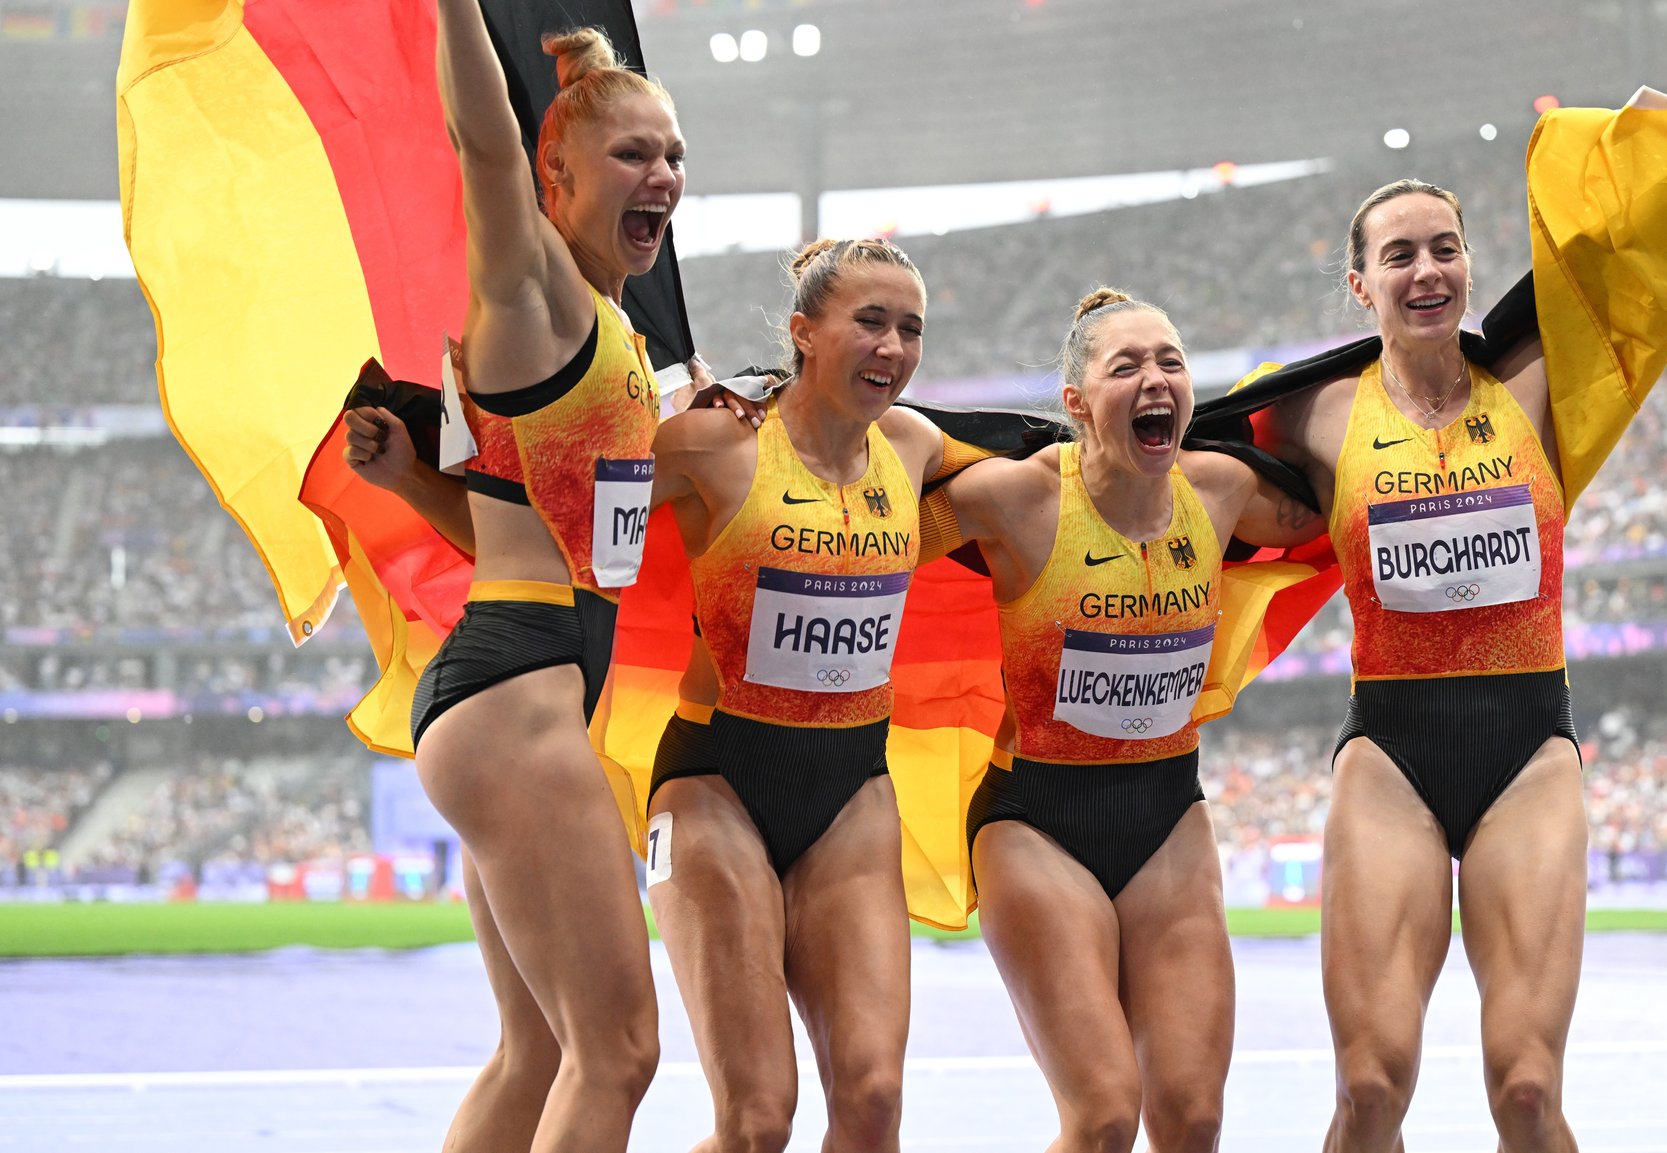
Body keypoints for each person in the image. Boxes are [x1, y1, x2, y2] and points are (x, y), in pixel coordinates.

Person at [1239, 5, 1667, 1150]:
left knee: (1524, 1088)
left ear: (1468, 265)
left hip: (1528, 749)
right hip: (1389, 756)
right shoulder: (1311, 415)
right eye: (1397, 255)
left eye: (1443, 249)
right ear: (1356, 286)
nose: (1425, 270)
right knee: (1369, 1088)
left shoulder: (1541, 386)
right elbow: (1151, 471)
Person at [343, 10, 688, 1150]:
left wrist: (412, 484)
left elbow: (506, 521)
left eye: (674, 155)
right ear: (558, 170)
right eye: (633, 153)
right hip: (518, 691)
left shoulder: (611, 329)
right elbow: (482, 144)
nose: (664, 177)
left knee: (539, 1050)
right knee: (618, 1051)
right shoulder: (532, 289)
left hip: (511, 684)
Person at [925, 288, 1322, 1153]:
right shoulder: (1016, 497)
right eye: (1127, 366)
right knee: (1104, 1115)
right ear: (1076, 403)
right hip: (1035, 822)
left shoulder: (1218, 489)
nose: (1156, 379)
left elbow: (1337, 510)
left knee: (1191, 1119)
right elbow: (868, 521)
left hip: (1168, 816)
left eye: (1170, 361)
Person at [642, 236, 948, 1153]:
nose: (892, 347)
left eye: (910, 329)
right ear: (803, 333)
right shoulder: (715, 441)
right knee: (755, 1119)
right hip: (713, 783)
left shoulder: (917, 445)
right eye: (870, 322)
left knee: (873, 1100)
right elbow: (560, 510)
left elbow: (1042, 476)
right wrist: (420, 466)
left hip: (852, 787)